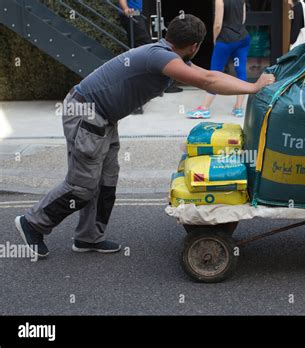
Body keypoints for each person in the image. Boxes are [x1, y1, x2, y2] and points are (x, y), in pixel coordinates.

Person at [14, 14, 275, 258]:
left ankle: (88, 237)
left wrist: (251, 87)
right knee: (82, 186)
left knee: (105, 181)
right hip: (86, 113)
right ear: (194, 46)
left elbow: (210, 75)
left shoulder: (171, 55)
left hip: (102, 116)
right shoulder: (160, 57)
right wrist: (254, 86)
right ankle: (32, 223)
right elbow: (206, 80)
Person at [187, 0, 250, 119]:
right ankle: (238, 108)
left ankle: (204, 108)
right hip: (242, 38)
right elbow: (242, 20)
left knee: (215, 72)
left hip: (225, 40)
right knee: (241, 70)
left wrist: (215, 40)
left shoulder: (220, 0)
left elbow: (217, 24)